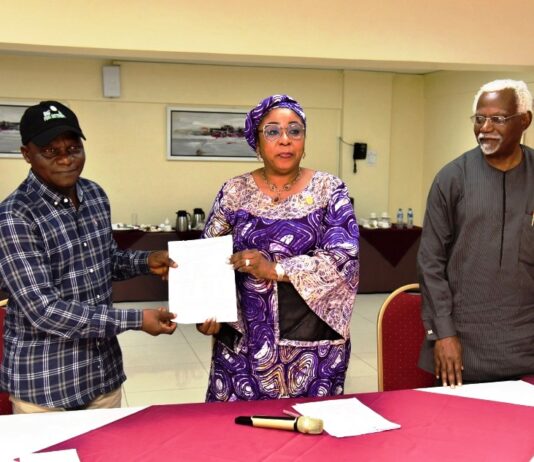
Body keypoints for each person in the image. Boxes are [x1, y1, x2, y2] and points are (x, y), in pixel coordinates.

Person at [0, 101, 177, 413]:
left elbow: (104, 262)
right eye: (50, 151)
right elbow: (44, 310)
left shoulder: (94, 195)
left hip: (101, 376)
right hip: (45, 386)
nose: (66, 159)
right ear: (27, 154)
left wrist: (147, 261)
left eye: (73, 147)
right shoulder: (15, 216)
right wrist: (136, 319)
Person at [196, 94, 359, 401]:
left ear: (304, 141)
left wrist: (275, 269)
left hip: (313, 348)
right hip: (243, 345)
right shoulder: (234, 191)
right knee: (238, 436)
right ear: (256, 143)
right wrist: (207, 310)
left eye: (294, 130)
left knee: (311, 436)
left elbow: (343, 260)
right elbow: (208, 256)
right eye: (272, 131)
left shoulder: (329, 190)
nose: (285, 140)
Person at [418, 79, 534, 387]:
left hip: (527, 341)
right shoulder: (452, 178)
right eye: (479, 119)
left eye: (497, 119)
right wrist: (443, 334)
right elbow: (430, 262)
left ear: (525, 120)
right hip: (463, 344)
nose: (485, 128)